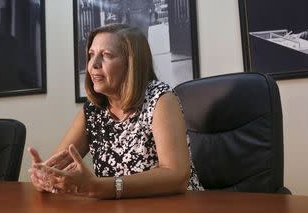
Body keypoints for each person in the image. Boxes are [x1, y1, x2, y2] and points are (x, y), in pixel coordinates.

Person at [28, 24, 203, 199]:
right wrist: (44, 176)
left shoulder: (161, 99)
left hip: (176, 205)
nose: (93, 65)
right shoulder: (93, 110)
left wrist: (100, 187)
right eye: (91, 55)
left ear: (132, 64)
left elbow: (177, 176)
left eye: (106, 55)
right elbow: (55, 169)